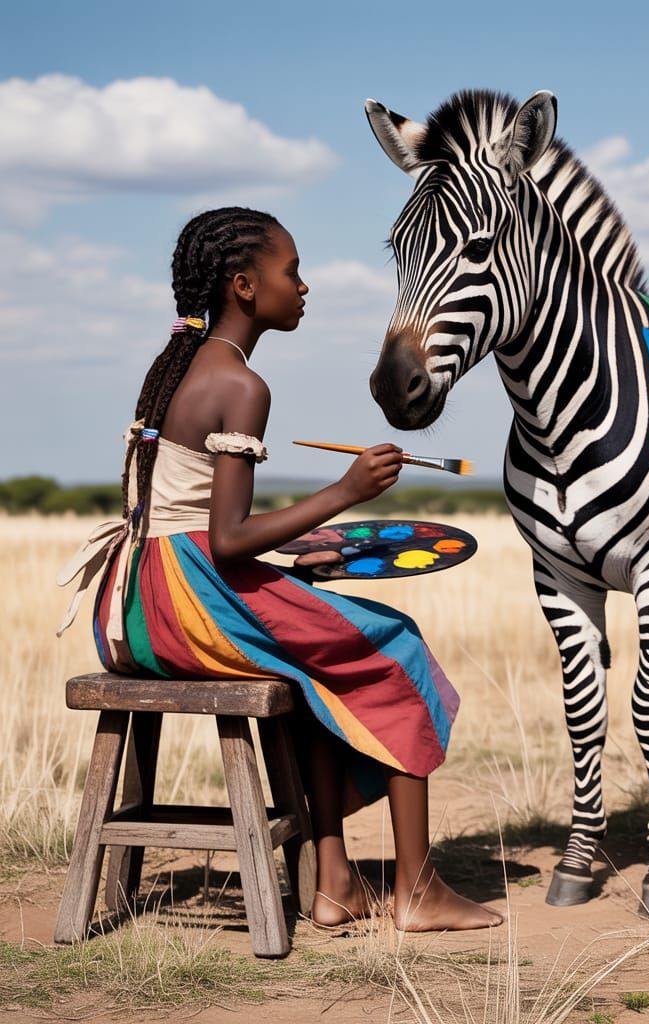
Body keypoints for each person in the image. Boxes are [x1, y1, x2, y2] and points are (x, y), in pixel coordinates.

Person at [58, 206, 502, 933]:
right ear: (244, 285)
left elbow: (190, 522)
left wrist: (293, 556)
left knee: (315, 660)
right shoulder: (242, 386)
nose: (303, 286)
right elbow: (228, 540)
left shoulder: (179, 368)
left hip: (137, 603)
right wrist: (345, 492)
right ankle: (417, 889)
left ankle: (335, 880)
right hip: (186, 606)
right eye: (291, 271)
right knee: (397, 644)